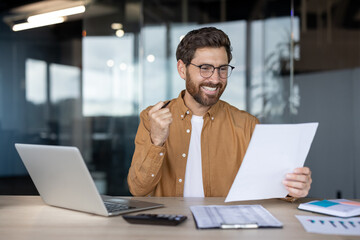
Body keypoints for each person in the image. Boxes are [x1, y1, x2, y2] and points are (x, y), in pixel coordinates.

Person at [127, 27, 312, 199]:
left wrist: (293, 189)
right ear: (182, 69)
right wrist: (157, 141)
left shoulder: (247, 125)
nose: (215, 79)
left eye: (222, 69)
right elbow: (138, 189)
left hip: (226, 230)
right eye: (205, 68)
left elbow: (272, 186)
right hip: (171, 229)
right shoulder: (152, 118)